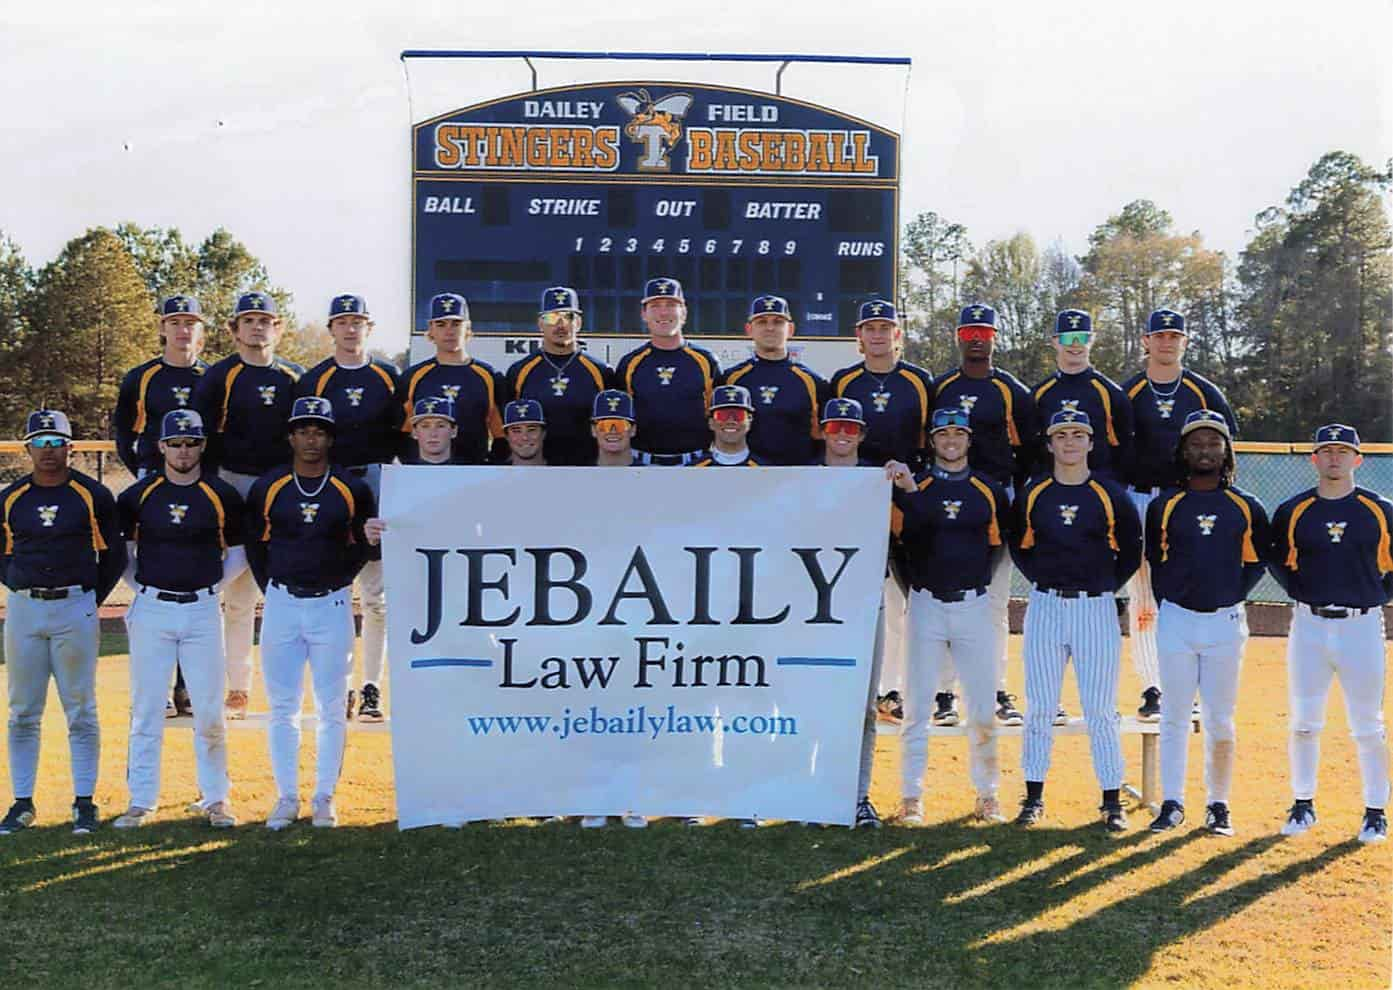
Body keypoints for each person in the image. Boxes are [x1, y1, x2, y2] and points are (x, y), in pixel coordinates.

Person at [244, 397, 376, 830]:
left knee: (332, 707)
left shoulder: (350, 488)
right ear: (291, 436)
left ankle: (324, 797)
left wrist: (340, 579)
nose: (311, 439)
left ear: (330, 437)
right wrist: (274, 589)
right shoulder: (270, 485)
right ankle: (286, 797)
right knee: (282, 707)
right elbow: (256, 545)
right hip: (282, 603)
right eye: (303, 430)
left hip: (332, 605)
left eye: (319, 431)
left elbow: (365, 545)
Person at [1010, 409, 1142, 831]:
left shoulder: (1109, 493)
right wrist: (1046, 579)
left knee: (1101, 709)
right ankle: (1033, 797)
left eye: (1078, 434)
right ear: (1049, 444)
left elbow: (1131, 552)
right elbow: (1020, 546)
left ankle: (1111, 800)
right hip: (1046, 604)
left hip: (1095, 607)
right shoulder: (1035, 491)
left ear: (1091, 442)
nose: (1069, 442)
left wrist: (1100, 584)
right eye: (1061, 434)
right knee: (1040, 706)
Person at [113, 410, 245, 829]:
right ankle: (141, 800)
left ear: (202, 445)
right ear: (162, 446)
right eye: (176, 443)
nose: (183, 450)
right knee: (147, 707)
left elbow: (239, 554)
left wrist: (206, 587)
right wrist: (147, 589)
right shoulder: (138, 495)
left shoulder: (220, 494)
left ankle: (216, 798)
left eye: (191, 442)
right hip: (152, 609)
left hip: (203, 609)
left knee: (208, 710)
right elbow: (124, 556)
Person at [0, 410, 126, 836]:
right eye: (41, 442)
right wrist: (20, 585)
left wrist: (90, 597)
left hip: (75, 605)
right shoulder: (11, 497)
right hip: (24, 609)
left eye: (57, 443)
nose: (49, 451)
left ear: (70, 447)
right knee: (21, 712)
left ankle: (84, 801)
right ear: (27, 448)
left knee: (81, 709)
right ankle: (20, 803)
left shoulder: (92, 494)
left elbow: (113, 556)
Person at [886, 407, 1011, 827]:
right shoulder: (911, 486)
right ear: (932, 440)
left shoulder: (989, 490)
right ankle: (910, 796)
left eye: (958, 433)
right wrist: (919, 591)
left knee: (980, 705)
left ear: (969, 439)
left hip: (973, 604)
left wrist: (972, 583)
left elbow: (996, 548)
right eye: (943, 434)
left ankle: (988, 794)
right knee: (917, 705)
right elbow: (899, 548)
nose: (951, 440)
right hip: (925, 603)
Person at [1145, 410, 1268, 836]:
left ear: (1226, 451)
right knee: (1174, 716)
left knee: (1220, 719)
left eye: (1214, 443)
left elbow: (1254, 565)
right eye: (1196, 443)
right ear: (1183, 450)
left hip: (1225, 623)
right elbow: (1156, 563)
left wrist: (1226, 594)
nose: (1205, 450)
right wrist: (1175, 601)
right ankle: (1172, 803)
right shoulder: (1166, 505)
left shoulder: (1246, 506)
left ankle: (1218, 805)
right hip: (1177, 621)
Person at [1268, 423, 1391, 844]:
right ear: (1313, 459)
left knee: (1368, 726)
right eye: (1326, 450)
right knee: (1304, 723)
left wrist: (1374, 594)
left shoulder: (1379, 509)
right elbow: (1278, 562)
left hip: (1362, 626)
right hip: (1309, 626)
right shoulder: (1294, 510)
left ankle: (1375, 811)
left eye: (1343, 450)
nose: (1334, 457)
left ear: (1358, 459)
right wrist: (1303, 593)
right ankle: (1303, 804)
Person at [1121, 308, 1238, 722]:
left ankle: (1185, 686)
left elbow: (1226, 449)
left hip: (1186, 502)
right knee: (1143, 599)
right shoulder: (1129, 391)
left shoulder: (1205, 393)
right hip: (1138, 499)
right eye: (1160, 335)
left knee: (1180, 590)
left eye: (1175, 335)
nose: (1167, 342)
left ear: (1185, 342)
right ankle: (1154, 688)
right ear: (1145, 341)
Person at [194, 291, 305, 720]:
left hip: (280, 488)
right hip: (232, 484)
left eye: (266, 320)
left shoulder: (293, 377)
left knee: (284, 591)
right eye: (249, 320)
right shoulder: (220, 376)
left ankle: (286, 689)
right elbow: (201, 440)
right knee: (236, 595)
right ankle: (237, 687)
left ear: (278, 327)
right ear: (234, 329)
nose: (258, 327)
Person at [931, 303, 1037, 729]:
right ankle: (944, 692)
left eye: (985, 332)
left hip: (996, 501)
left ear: (995, 338)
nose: (978, 338)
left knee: (993, 603)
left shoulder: (1012, 390)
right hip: (948, 496)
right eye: (970, 331)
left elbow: (1029, 450)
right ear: (959, 336)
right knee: (945, 598)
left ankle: (994, 689)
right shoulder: (941, 387)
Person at [829, 298, 934, 728]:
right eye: (869, 328)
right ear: (859, 336)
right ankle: (864, 685)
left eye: (885, 327)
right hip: (856, 500)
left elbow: (932, 439)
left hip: (906, 496)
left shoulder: (920, 380)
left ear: (898, 335)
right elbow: (831, 438)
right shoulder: (843, 381)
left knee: (913, 599)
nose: (877, 334)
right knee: (855, 596)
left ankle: (910, 690)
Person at [298, 294, 402, 723]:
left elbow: (403, 433)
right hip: (333, 483)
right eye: (342, 321)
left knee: (377, 597)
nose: (350, 328)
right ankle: (338, 688)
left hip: (379, 480)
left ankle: (372, 686)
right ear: (331, 330)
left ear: (369, 327)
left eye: (357, 321)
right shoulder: (316, 379)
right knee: (336, 595)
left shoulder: (388, 375)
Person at [112, 293, 212, 717]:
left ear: (201, 331)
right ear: (163, 328)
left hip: (200, 482)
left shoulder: (212, 376)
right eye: (175, 321)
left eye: (190, 322)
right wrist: (143, 470)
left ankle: (187, 686)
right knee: (153, 580)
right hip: (154, 481)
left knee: (196, 581)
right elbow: (122, 429)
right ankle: (159, 687)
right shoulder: (143, 376)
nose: (182, 328)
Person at [615, 277, 723, 465]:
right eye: (655, 305)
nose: (663, 312)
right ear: (644, 314)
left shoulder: (706, 361)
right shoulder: (630, 363)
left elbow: (718, 416)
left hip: (696, 464)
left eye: (671, 305)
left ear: (684, 312)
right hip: (641, 464)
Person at [505, 287, 612, 466]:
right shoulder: (519, 371)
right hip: (536, 470)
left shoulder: (601, 371)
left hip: (588, 469)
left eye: (568, 317)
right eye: (552, 317)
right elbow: (509, 427)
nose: (560, 324)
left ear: (578, 322)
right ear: (540, 323)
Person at [397, 292, 504, 465]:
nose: (449, 331)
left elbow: (501, 434)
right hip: (424, 474)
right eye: (441, 324)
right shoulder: (413, 377)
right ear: (430, 330)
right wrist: (415, 466)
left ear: (467, 328)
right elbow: (402, 433)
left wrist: (488, 467)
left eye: (456, 324)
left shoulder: (489, 376)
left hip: (475, 472)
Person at [723, 294, 828, 465]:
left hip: (795, 477)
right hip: (745, 476)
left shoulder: (813, 382)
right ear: (749, 329)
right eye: (762, 322)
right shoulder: (731, 379)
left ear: (791, 329)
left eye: (778, 322)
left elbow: (822, 438)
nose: (770, 328)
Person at [1031, 310, 1132, 483]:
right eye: (1068, 338)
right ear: (1055, 342)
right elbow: (1030, 447)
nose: (1075, 344)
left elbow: (1125, 446)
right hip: (1051, 489)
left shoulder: (1111, 393)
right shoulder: (1039, 394)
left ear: (1092, 340)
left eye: (1082, 338)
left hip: (1100, 489)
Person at [691, 386, 760, 467]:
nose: (730, 421)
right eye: (722, 415)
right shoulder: (692, 470)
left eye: (738, 415)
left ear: (749, 421)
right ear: (711, 422)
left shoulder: (766, 471)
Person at [590, 389, 641, 466]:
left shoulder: (652, 475)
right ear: (593, 430)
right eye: (605, 425)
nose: (613, 431)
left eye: (620, 425)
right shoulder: (579, 475)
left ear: (633, 430)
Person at [502, 399, 548, 466]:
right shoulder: (491, 473)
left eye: (531, 430)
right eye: (517, 431)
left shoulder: (562, 472)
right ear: (507, 436)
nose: (525, 437)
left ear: (543, 433)